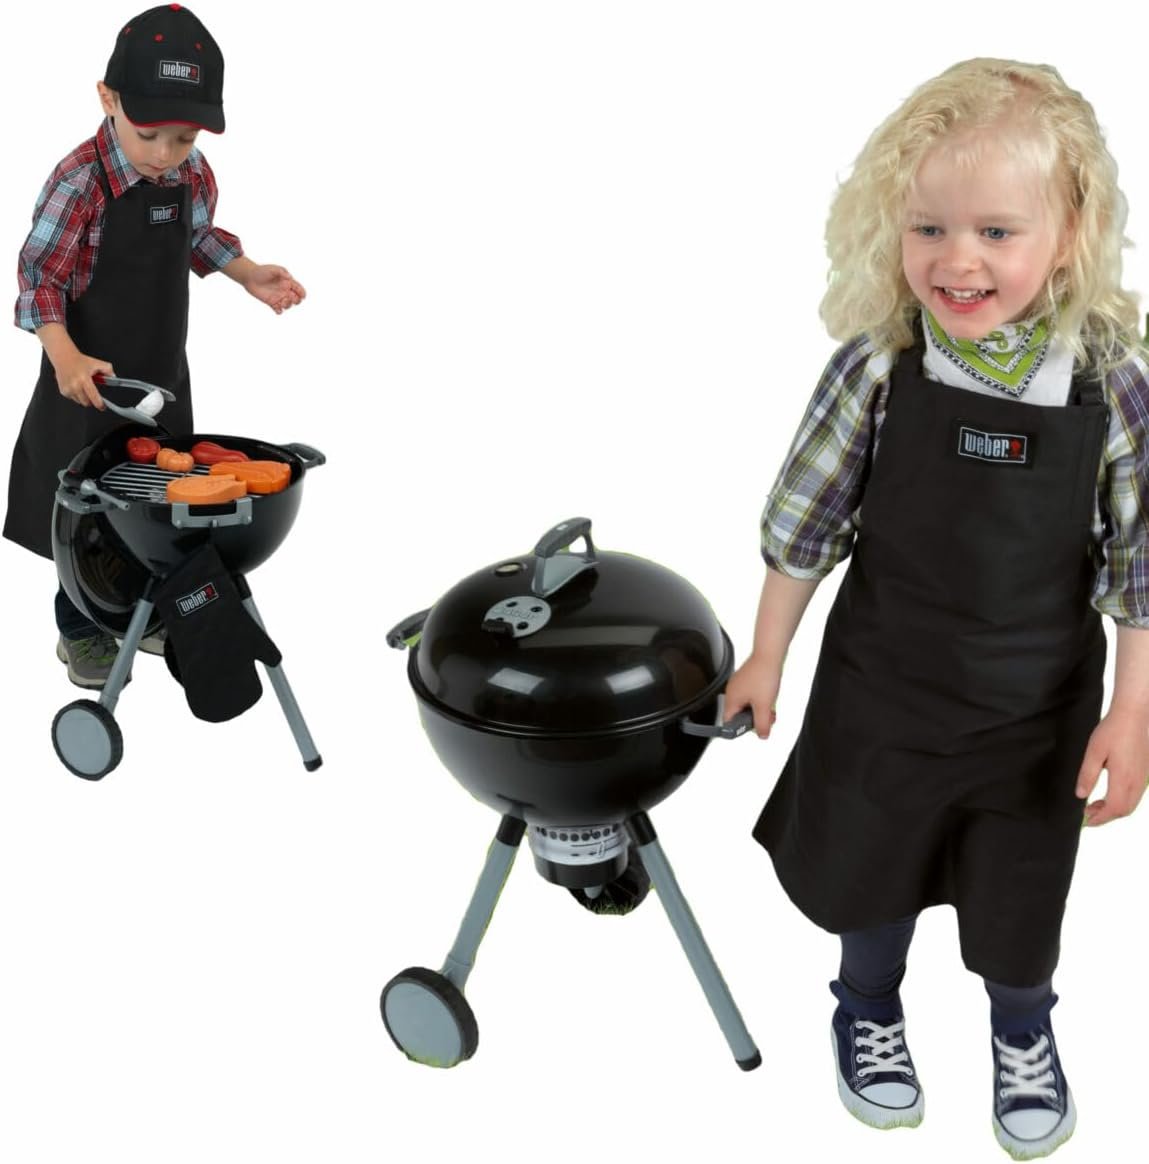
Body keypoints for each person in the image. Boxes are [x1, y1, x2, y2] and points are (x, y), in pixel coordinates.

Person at [724, 58, 1148, 1160]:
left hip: (1033, 710)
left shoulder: (1108, 382)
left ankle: (1022, 1028)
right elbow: (804, 525)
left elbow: (1142, 566)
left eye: (997, 232)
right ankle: (865, 1007)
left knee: (1021, 887)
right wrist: (766, 656)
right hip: (884, 693)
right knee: (872, 865)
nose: (958, 260)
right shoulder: (880, 364)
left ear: (1070, 231)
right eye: (929, 229)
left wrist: (1132, 710)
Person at [3, 4, 305, 689]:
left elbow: (199, 236)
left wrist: (247, 272)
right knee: (84, 516)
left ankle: (145, 612)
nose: (166, 154)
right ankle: (82, 629)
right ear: (108, 99)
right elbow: (40, 280)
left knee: (165, 502)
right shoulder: (79, 181)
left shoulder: (192, 174)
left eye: (184, 137)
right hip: (82, 384)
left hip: (161, 374)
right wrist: (65, 357)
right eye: (149, 135)